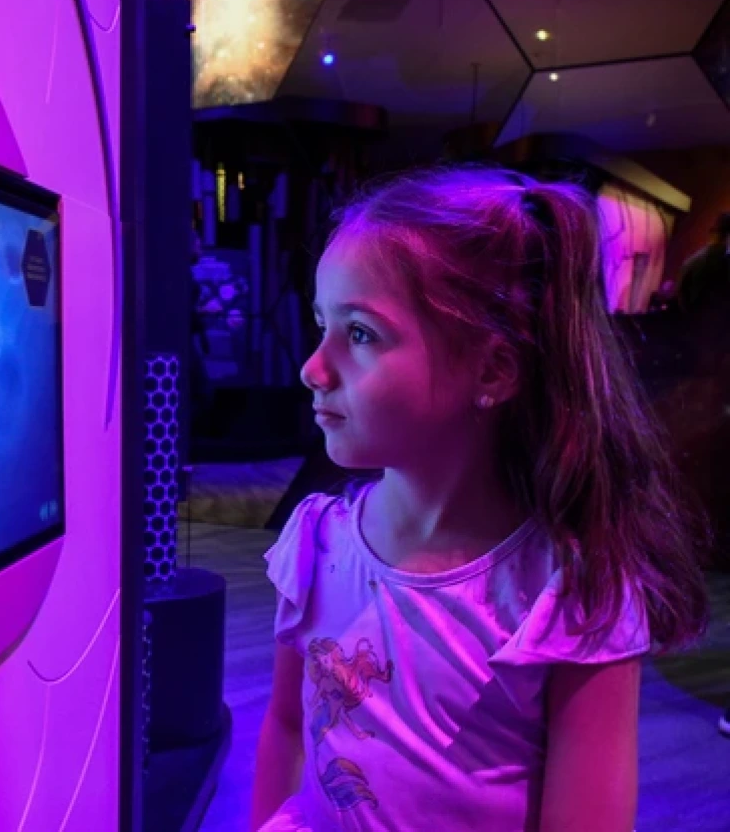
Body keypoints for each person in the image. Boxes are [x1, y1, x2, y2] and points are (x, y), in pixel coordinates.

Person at [251, 167, 710, 832]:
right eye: (322, 323)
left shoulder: (570, 597)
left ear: (492, 371)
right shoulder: (314, 543)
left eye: (359, 333)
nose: (312, 368)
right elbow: (288, 725)